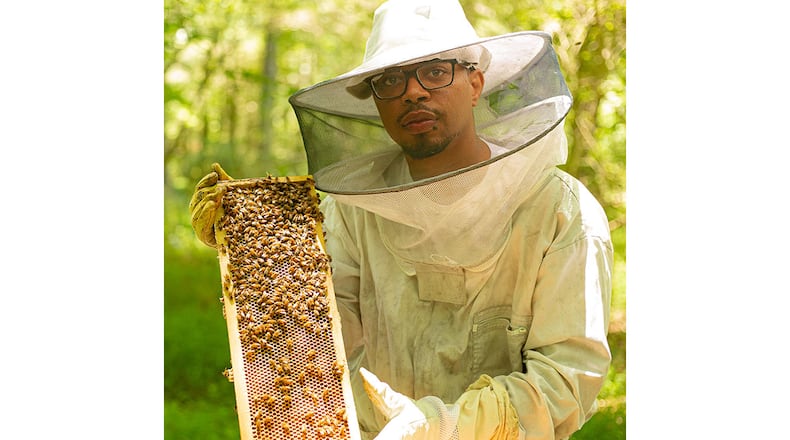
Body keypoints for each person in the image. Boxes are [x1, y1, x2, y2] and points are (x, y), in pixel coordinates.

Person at [190, 0, 613, 438]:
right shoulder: (351, 210)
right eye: (391, 80)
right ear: (375, 101)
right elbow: (309, 338)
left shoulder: (561, 212)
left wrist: (440, 426)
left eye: (435, 71)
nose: (413, 92)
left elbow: (566, 380)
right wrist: (249, 255)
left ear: (475, 84)